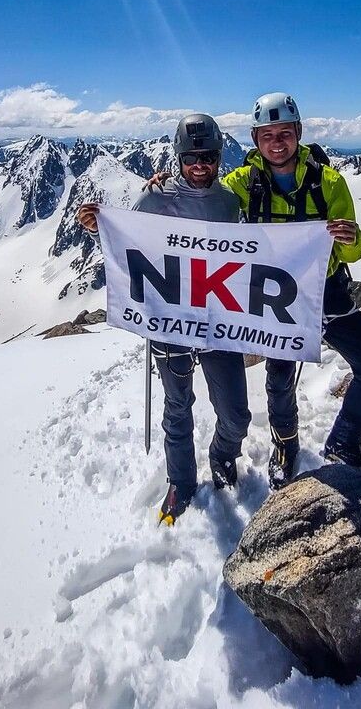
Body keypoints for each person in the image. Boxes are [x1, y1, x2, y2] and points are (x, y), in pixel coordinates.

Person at [76, 114, 252, 525]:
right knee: (177, 407)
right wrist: (95, 227)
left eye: (208, 157)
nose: (200, 166)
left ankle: (222, 454)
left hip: (219, 321)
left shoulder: (230, 202)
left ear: (219, 157)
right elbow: (127, 241)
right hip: (170, 322)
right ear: (178, 158)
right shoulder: (153, 198)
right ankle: (181, 482)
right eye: (191, 158)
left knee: (236, 415)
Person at [221, 92, 361, 487]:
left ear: (298, 132)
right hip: (278, 297)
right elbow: (205, 205)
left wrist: (349, 237)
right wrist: (165, 186)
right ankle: (285, 445)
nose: (277, 142)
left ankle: (344, 440)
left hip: (326, 292)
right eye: (267, 135)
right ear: (255, 139)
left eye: (284, 132)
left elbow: (356, 249)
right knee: (278, 377)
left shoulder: (329, 183)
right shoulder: (241, 183)